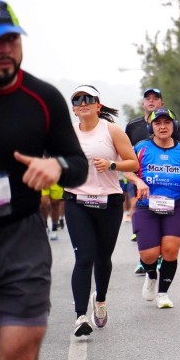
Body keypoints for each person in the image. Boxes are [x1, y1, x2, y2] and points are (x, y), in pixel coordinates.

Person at [0, 0, 88, 360]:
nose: (5, 49)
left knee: (18, 358)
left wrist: (57, 166)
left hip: (20, 242)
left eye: (11, 39)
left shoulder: (42, 98)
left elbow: (78, 165)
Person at [65, 85, 138, 337]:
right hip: (77, 201)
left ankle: (101, 299)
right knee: (84, 257)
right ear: (74, 109)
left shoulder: (112, 130)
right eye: (77, 100)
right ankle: (80, 317)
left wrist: (111, 164)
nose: (83, 103)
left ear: (98, 105)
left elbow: (133, 163)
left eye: (88, 99)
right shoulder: (68, 134)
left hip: (109, 202)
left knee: (103, 258)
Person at [131, 108, 180, 309]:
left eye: (167, 123)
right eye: (158, 123)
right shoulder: (141, 148)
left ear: (174, 126)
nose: (163, 127)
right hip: (147, 207)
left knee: (170, 250)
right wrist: (138, 181)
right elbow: (127, 171)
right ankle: (151, 275)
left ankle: (163, 293)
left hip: (176, 206)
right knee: (149, 255)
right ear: (151, 127)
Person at [125, 88, 180, 273]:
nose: (151, 101)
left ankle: (158, 257)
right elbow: (124, 150)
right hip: (140, 178)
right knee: (141, 210)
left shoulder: (171, 124)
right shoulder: (132, 126)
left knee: (163, 216)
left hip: (166, 179)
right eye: (148, 98)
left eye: (155, 98)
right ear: (143, 103)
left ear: (161, 103)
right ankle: (145, 257)